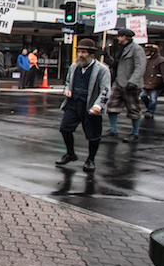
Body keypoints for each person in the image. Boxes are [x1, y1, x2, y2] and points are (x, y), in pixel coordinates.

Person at [56, 39, 110, 173]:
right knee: (65, 128)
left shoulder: (102, 70)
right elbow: (68, 81)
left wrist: (98, 105)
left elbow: (105, 89)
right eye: (79, 52)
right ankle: (70, 154)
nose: (80, 55)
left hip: (90, 105)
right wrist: (67, 90)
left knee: (93, 135)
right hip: (74, 103)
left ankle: (91, 159)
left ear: (91, 54)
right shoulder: (74, 67)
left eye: (84, 52)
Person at [105, 28, 146, 143]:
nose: (118, 38)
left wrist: (133, 81)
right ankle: (113, 129)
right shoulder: (122, 49)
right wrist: (107, 57)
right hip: (119, 81)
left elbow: (140, 66)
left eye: (119, 36)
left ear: (125, 37)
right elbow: (116, 65)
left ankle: (135, 133)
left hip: (130, 83)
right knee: (111, 105)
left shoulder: (137, 49)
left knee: (133, 108)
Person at [141, 44, 164, 118]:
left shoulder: (161, 61)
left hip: (155, 82)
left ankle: (150, 111)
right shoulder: (146, 60)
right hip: (146, 81)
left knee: (153, 99)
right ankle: (150, 108)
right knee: (143, 96)